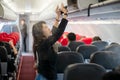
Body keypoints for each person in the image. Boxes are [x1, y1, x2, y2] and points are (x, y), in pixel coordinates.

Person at [32, 4, 68, 80]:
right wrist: (65, 14)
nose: (48, 28)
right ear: (40, 32)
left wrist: (58, 16)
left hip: (45, 75)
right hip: (46, 77)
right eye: (45, 27)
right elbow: (57, 33)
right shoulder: (43, 44)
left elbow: (54, 31)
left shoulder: (42, 42)